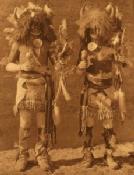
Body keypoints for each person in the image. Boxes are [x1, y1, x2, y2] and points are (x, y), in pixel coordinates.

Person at [5, 2, 56, 172]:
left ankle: (41, 154)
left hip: (42, 86)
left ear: (43, 25)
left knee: (42, 122)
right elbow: (7, 65)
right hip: (25, 86)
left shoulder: (47, 44)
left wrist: (59, 62)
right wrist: (22, 67)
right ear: (26, 25)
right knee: (25, 122)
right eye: (32, 24)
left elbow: (56, 65)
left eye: (38, 24)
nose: (35, 27)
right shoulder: (19, 43)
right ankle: (22, 154)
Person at [76, 2, 127, 169]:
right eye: (92, 30)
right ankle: (87, 154)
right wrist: (80, 67)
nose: (95, 34)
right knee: (88, 124)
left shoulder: (111, 49)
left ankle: (109, 154)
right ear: (88, 31)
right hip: (90, 90)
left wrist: (121, 58)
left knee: (108, 124)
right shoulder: (85, 50)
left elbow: (124, 63)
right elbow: (78, 71)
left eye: (98, 30)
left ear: (104, 30)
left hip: (106, 90)